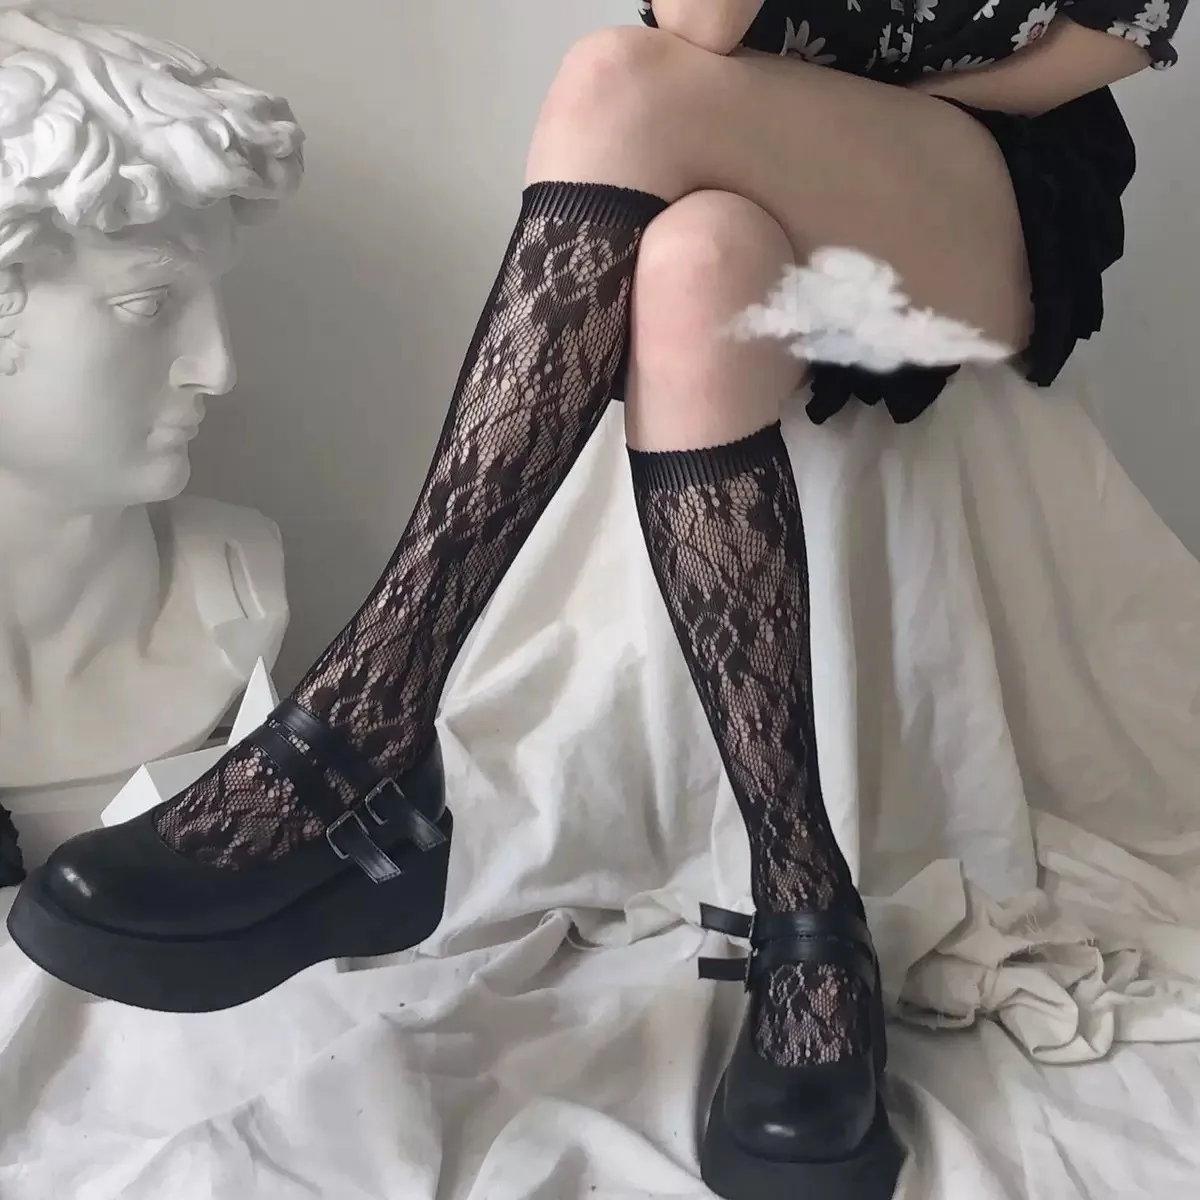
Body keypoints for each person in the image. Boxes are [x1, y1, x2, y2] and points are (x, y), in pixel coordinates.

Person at [8, 2, 1188, 1198]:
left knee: (617, 79)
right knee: (689, 266)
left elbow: (1121, 29)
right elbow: (705, 22)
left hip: (982, 163)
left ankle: (367, 727)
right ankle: (806, 910)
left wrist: (840, 115)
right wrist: (772, 113)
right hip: (734, 144)